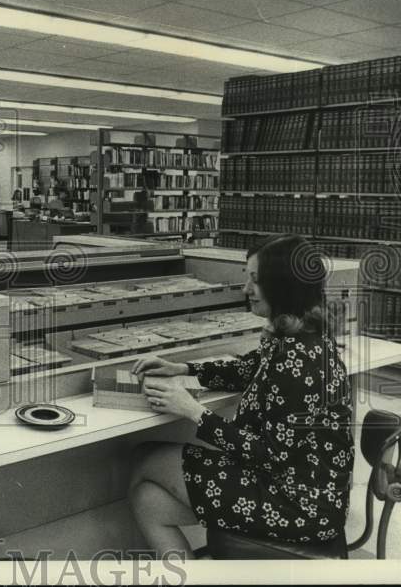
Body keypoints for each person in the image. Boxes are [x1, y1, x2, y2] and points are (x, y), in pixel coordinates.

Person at [127, 234, 353, 558]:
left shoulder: (300, 360)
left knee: (145, 458)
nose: (246, 289)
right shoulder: (298, 336)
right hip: (292, 489)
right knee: (147, 500)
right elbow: (249, 369)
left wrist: (193, 411)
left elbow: (267, 453)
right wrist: (182, 368)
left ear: (283, 287)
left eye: (255, 280)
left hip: (296, 505)